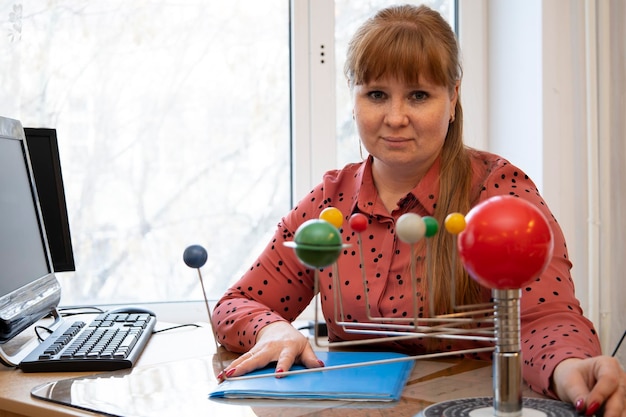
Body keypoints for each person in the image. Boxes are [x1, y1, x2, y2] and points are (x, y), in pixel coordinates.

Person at [211, 4, 625, 416]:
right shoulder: (330, 201)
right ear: (354, 101)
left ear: (453, 97)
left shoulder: (498, 191)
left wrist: (569, 366)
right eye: (376, 94)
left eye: (419, 95)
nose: (395, 117)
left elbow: (543, 316)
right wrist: (272, 328)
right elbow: (237, 303)